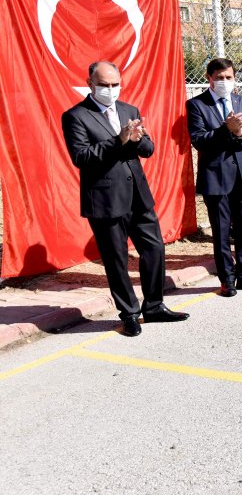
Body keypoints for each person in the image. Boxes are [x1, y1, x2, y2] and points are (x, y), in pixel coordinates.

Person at [61, 61, 188, 337]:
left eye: (114, 84)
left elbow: (149, 149)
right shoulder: (76, 115)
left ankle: (154, 306)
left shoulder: (129, 110)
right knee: (116, 259)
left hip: (138, 195)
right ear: (90, 83)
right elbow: (81, 157)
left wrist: (138, 139)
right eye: (104, 85)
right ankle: (129, 313)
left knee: (154, 249)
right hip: (105, 198)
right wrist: (118, 140)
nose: (110, 90)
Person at [187, 58, 242, 297]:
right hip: (216, 177)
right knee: (221, 231)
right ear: (208, 78)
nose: (225, 82)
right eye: (219, 78)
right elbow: (199, 139)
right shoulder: (196, 105)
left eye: (229, 77)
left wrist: (240, 133)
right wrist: (227, 130)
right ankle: (227, 280)